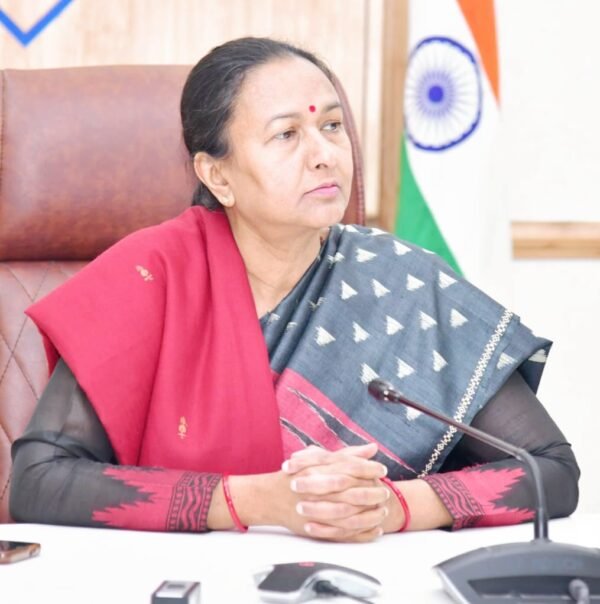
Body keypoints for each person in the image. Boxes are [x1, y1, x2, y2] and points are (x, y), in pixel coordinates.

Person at [10, 37, 579, 542]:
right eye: (286, 134)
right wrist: (254, 501)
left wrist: (392, 506)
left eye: (331, 126)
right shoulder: (149, 277)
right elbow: (39, 482)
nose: (325, 155)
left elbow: (549, 471)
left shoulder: (405, 283)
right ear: (217, 175)